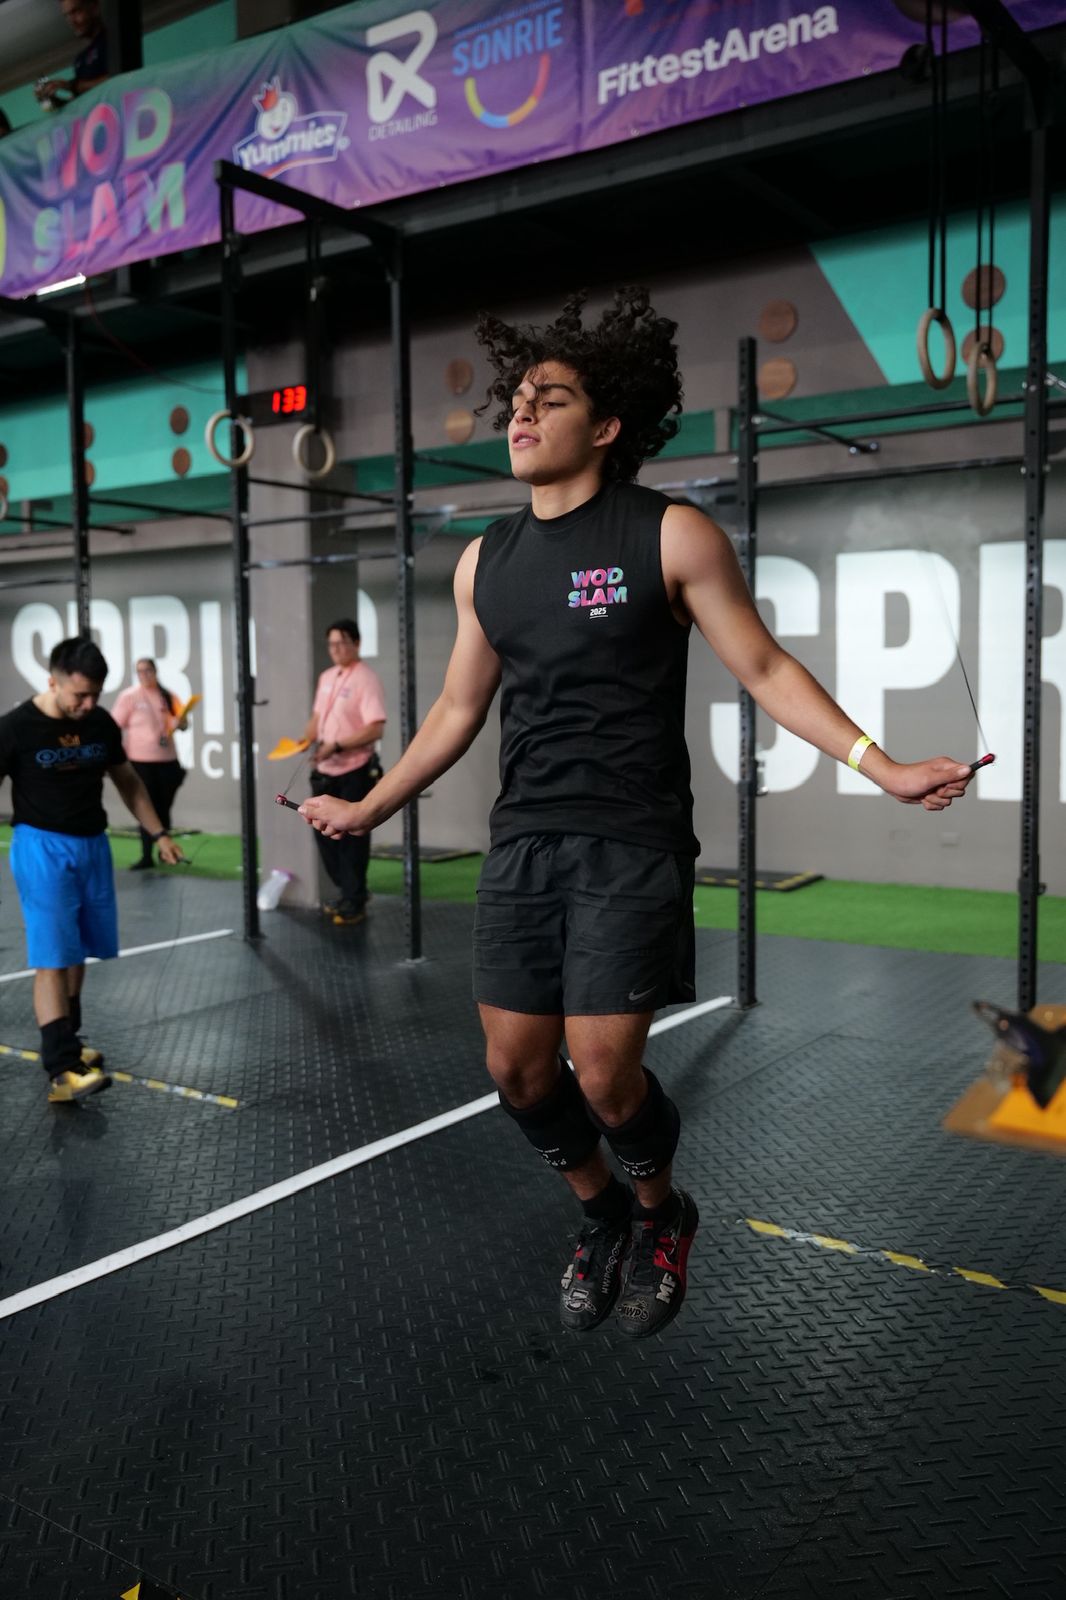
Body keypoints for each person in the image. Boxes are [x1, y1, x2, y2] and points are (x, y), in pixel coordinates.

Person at [299, 288, 976, 1339]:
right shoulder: (488, 559)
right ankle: (602, 1210)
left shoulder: (671, 534)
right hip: (525, 840)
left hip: (631, 841)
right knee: (516, 1070)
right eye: (515, 401)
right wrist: (367, 802)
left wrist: (878, 765)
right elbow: (455, 710)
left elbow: (762, 665)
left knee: (607, 1074)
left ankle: (661, 1212)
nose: (519, 416)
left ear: (605, 426)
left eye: (549, 399)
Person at [0, 637, 183, 1104]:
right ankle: (61, 1068)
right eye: (78, 695)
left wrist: (159, 833)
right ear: (52, 681)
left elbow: (127, 781)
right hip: (42, 847)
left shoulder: (100, 723)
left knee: (78, 949)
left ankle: (71, 1041)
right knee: (53, 956)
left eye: (94, 695)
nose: (87, 705)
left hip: (92, 846)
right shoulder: (17, 728)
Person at [298, 619, 386, 926]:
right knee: (324, 834)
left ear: (357, 644)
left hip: (354, 769)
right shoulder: (327, 677)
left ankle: (355, 899)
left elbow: (375, 728)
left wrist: (336, 746)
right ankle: (350, 892)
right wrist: (304, 740)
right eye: (331, 644)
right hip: (324, 770)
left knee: (351, 837)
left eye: (341, 643)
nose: (335, 650)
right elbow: (317, 718)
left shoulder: (366, 679)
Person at [111, 657, 187, 870]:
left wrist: (181, 722)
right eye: (140, 671)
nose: (144, 675)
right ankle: (146, 855)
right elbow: (114, 725)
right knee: (146, 806)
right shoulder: (129, 696)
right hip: (140, 761)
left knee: (164, 808)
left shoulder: (168, 696)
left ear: (155, 671)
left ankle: (165, 850)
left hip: (168, 761)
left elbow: (183, 722)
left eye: (147, 670)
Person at [34, 0, 109, 109]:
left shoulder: (113, 39)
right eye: (67, 16)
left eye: (76, 12)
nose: (71, 21)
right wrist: (54, 99)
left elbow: (118, 78)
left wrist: (70, 85)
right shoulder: (80, 59)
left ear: (94, 8)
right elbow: (78, 104)